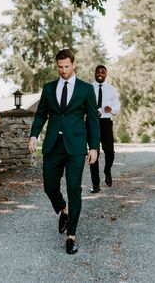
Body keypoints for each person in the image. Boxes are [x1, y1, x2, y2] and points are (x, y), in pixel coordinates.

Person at [28, 49, 100, 254]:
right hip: (53, 144)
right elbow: (41, 114)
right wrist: (34, 135)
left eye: (66, 66)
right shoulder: (49, 88)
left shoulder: (86, 89)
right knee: (49, 186)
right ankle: (64, 209)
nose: (63, 70)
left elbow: (93, 121)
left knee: (73, 188)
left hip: (76, 146)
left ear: (73, 64)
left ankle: (71, 236)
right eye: (60, 67)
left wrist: (94, 146)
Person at [90, 65, 120, 193]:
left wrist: (111, 109)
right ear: (95, 73)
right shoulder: (89, 88)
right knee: (93, 152)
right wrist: (91, 112)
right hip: (92, 123)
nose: (100, 74)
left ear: (106, 74)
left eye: (103, 72)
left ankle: (107, 171)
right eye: (98, 72)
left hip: (106, 123)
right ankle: (95, 185)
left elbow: (117, 107)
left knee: (110, 152)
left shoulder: (111, 89)